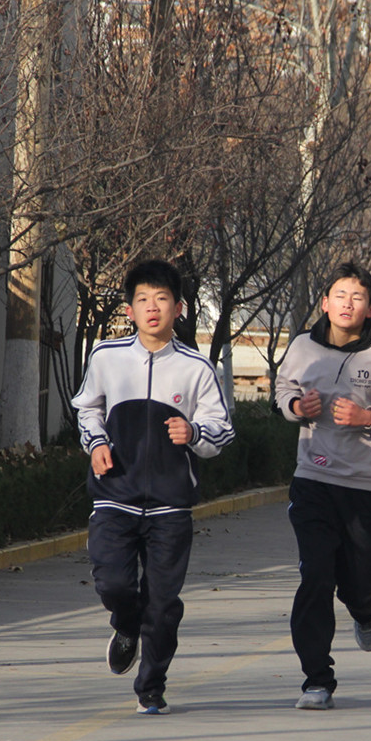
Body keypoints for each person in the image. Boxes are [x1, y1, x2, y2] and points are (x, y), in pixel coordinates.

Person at [71, 260, 235, 716]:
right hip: (114, 497)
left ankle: (151, 687)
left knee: (162, 606)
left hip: (169, 508)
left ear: (178, 308)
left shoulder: (197, 366)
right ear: (130, 309)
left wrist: (195, 434)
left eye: (162, 299)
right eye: (143, 299)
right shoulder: (106, 357)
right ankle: (126, 626)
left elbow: (222, 430)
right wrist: (97, 443)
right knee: (114, 583)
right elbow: (87, 409)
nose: (152, 308)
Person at [275, 262, 371, 711]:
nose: (347, 304)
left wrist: (369, 418)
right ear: (325, 302)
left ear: (370, 308)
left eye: (357, 298)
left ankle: (365, 609)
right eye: (339, 295)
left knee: (359, 582)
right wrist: (297, 406)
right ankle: (316, 680)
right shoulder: (302, 346)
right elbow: (282, 390)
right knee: (315, 576)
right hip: (315, 480)